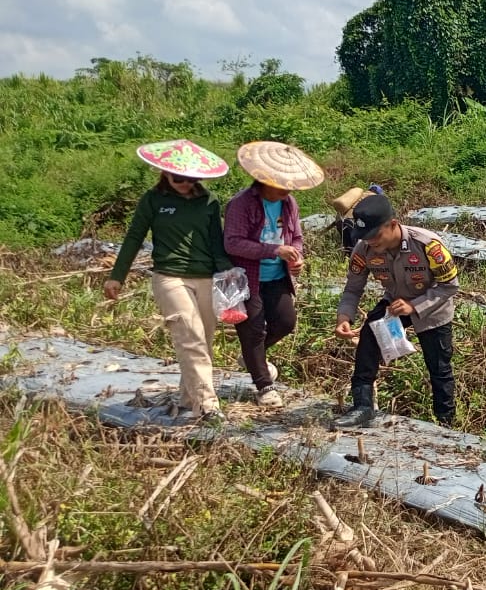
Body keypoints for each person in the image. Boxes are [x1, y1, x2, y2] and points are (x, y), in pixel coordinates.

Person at [103, 140, 234, 424]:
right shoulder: (153, 200)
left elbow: (216, 242)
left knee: (204, 341)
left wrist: (230, 277)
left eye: (191, 179)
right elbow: (134, 236)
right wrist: (117, 276)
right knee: (190, 337)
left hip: (205, 276)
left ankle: (188, 399)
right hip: (170, 276)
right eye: (178, 178)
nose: (185, 184)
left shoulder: (209, 202)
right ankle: (208, 406)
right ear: (165, 173)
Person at [333, 193, 459, 427]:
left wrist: (414, 306)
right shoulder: (363, 249)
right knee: (368, 338)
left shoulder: (427, 245)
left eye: (375, 235)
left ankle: (446, 424)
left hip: (433, 309)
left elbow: (449, 286)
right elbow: (352, 289)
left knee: (439, 368)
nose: (371, 241)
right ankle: (362, 406)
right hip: (395, 304)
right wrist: (344, 317)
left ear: (392, 224)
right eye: (365, 236)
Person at [223, 141, 324, 408]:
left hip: (277, 277)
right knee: (253, 330)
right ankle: (264, 386)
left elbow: (296, 237)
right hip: (247, 278)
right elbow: (232, 243)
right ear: (264, 180)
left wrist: (296, 256)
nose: (286, 189)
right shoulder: (242, 204)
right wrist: (274, 250)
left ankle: (251, 356)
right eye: (281, 184)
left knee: (285, 322)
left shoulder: (289, 203)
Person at [332, 184, 384, 257]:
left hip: (339, 220)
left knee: (347, 246)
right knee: (358, 247)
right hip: (353, 221)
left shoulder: (359, 195)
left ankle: (345, 260)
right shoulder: (375, 199)